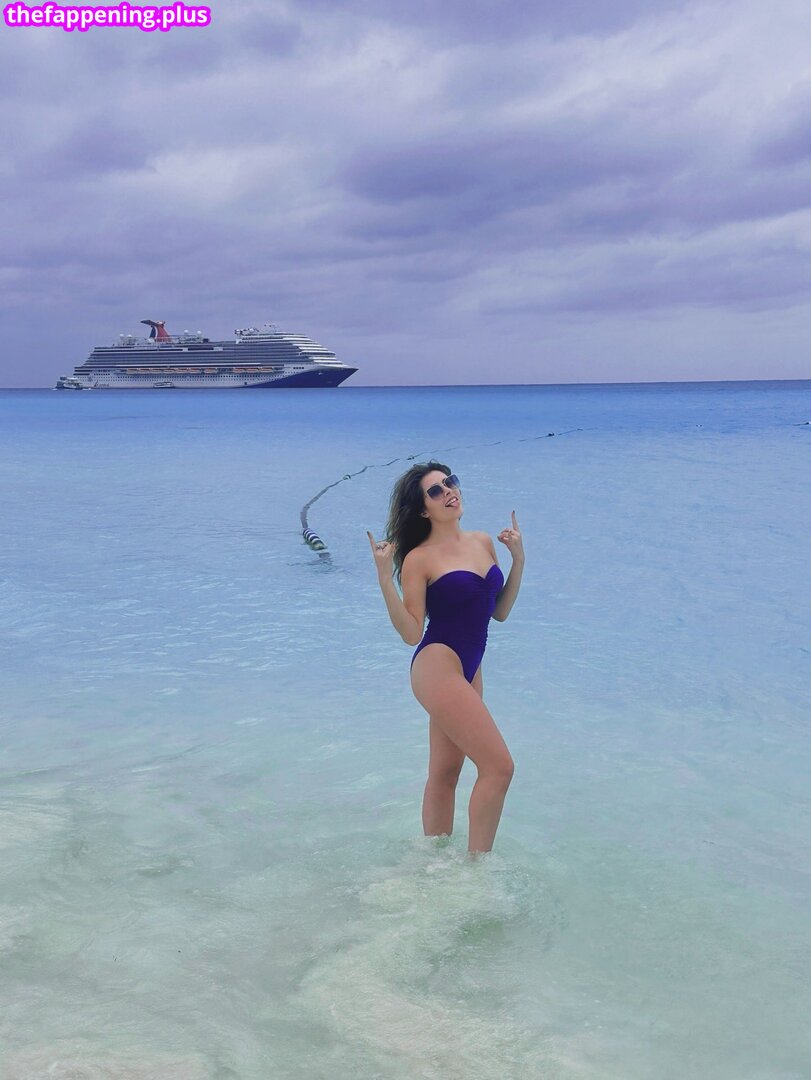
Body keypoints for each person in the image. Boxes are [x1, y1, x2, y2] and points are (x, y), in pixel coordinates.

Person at [367, 461, 524, 853]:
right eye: (435, 491)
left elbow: (499, 612)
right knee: (499, 767)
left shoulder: (483, 542)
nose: (449, 491)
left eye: (450, 482)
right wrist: (385, 578)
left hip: (471, 667)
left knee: (445, 772)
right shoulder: (419, 558)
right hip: (437, 665)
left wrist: (518, 559)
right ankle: (477, 870)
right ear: (424, 510)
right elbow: (411, 632)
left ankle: (433, 864)